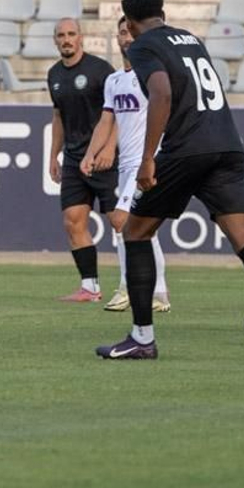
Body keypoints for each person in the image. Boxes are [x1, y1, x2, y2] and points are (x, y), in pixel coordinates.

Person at [94, 0, 244, 364]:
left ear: (130, 20)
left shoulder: (141, 45)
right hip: (228, 144)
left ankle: (142, 338)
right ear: (162, 11)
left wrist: (146, 159)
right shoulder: (189, 38)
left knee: (135, 232)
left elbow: (162, 93)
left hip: (187, 148)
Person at [83, 16, 171, 315]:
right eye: (121, 33)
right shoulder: (114, 80)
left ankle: (125, 288)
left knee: (121, 221)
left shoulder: (152, 76)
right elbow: (106, 121)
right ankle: (159, 293)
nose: (126, 37)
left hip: (148, 162)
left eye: (130, 31)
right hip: (125, 165)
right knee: (143, 229)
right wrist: (89, 154)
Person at [47, 16, 118, 303]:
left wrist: (109, 149)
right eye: (61, 34)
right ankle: (90, 287)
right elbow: (58, 116)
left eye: (71, 34)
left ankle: (139, 284)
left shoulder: (101, 70)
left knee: (121, 222)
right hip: (75, 159)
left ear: (81, 38)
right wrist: (53, 155)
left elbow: (118, 113)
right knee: (72, 220)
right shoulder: (54, 75)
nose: (66, 39)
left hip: (104, 159)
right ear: (55, 40)